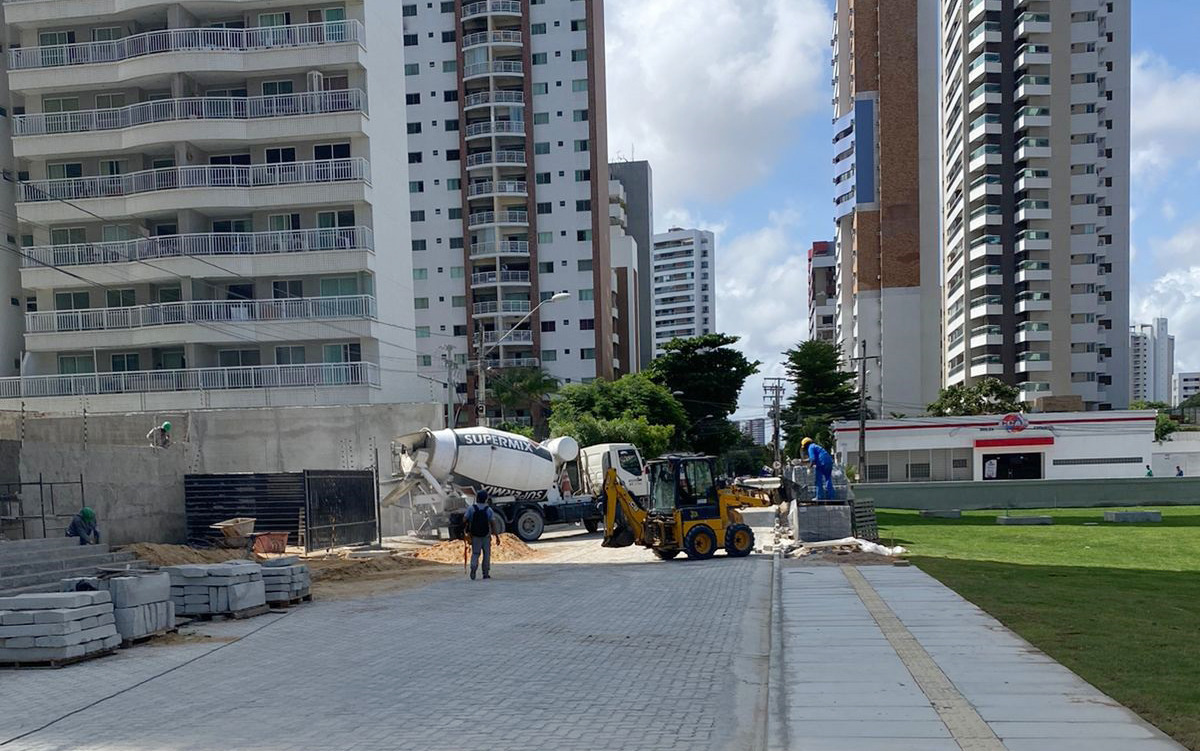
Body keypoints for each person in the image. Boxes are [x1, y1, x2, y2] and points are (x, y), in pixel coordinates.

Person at [463, 489, 501, 581]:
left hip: (475, 535)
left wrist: (467, 527)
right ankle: (485, 573)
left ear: (477, 498)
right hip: (486, 535)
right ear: (486, 499)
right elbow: (493, 523)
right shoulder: (489, 510)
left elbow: (464, 519)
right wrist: (496, 536)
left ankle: (473, 568)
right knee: (486, 554)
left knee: (475, 553)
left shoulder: (471, 508)